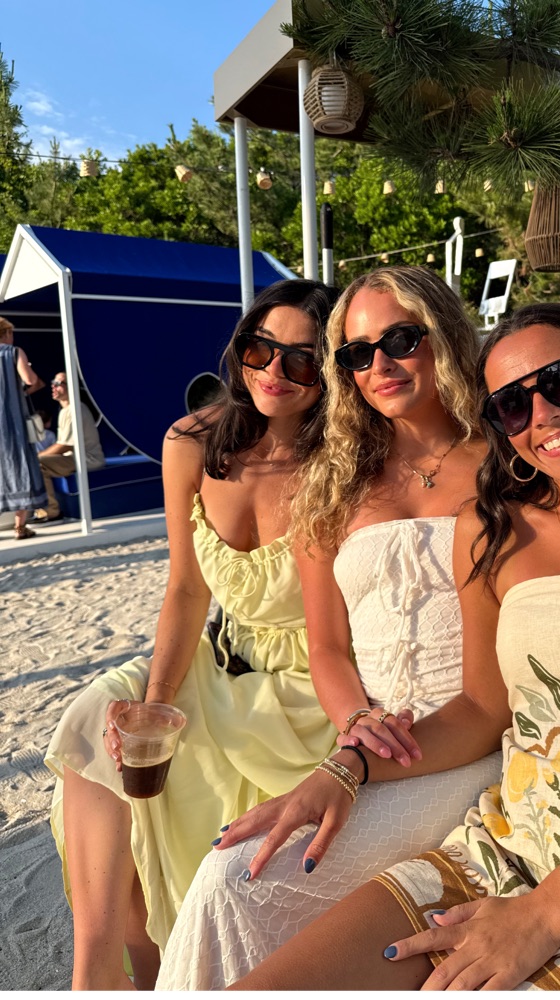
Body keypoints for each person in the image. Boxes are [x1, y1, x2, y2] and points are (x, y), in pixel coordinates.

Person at [189, 303, 560, 991]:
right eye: (512, 406)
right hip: (507, 852)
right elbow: (479, 711)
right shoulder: (493, 532)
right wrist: (348, 766)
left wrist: (545, 914)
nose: (543, 415)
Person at [155, 265, 503, 990]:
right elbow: (327, 646)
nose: (380, 365)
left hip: (466, 745)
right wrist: (355, 726)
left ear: (442, 334)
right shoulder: (336, 479)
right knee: (230, 876)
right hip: (366, 738)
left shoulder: (505, 464)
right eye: (356, 353)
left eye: (400, 340)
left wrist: (353, 765)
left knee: (236, 881)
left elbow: (488, 698)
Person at [44, 280, 341, 991]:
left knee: (186, 796)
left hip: (309, 685)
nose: (275, 371)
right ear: (239, 349)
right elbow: (185, 589)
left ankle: (162, 972)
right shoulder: (192, 443)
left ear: (331, 373)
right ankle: (98, 975)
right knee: (100, 719)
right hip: (221, 658)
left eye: (303, 360)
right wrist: (157, 699)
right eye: (261, 349)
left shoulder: (341, 460)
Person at [34, 371, 106, 522]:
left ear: (71, 386)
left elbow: (64, 446)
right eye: (53, 383)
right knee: (35, 463)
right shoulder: (65, 411)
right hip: (74, 458)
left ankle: (51, 511)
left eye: (58, 383)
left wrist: (37, 457)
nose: (53, 386)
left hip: (87, 459)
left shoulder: (76, 409)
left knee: (37, 464)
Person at [0, 315, 47, 539]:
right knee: (20, 467)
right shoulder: (14, 352)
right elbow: (30, 380)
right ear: (7, 333)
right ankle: (20, 527)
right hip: (12, 422)